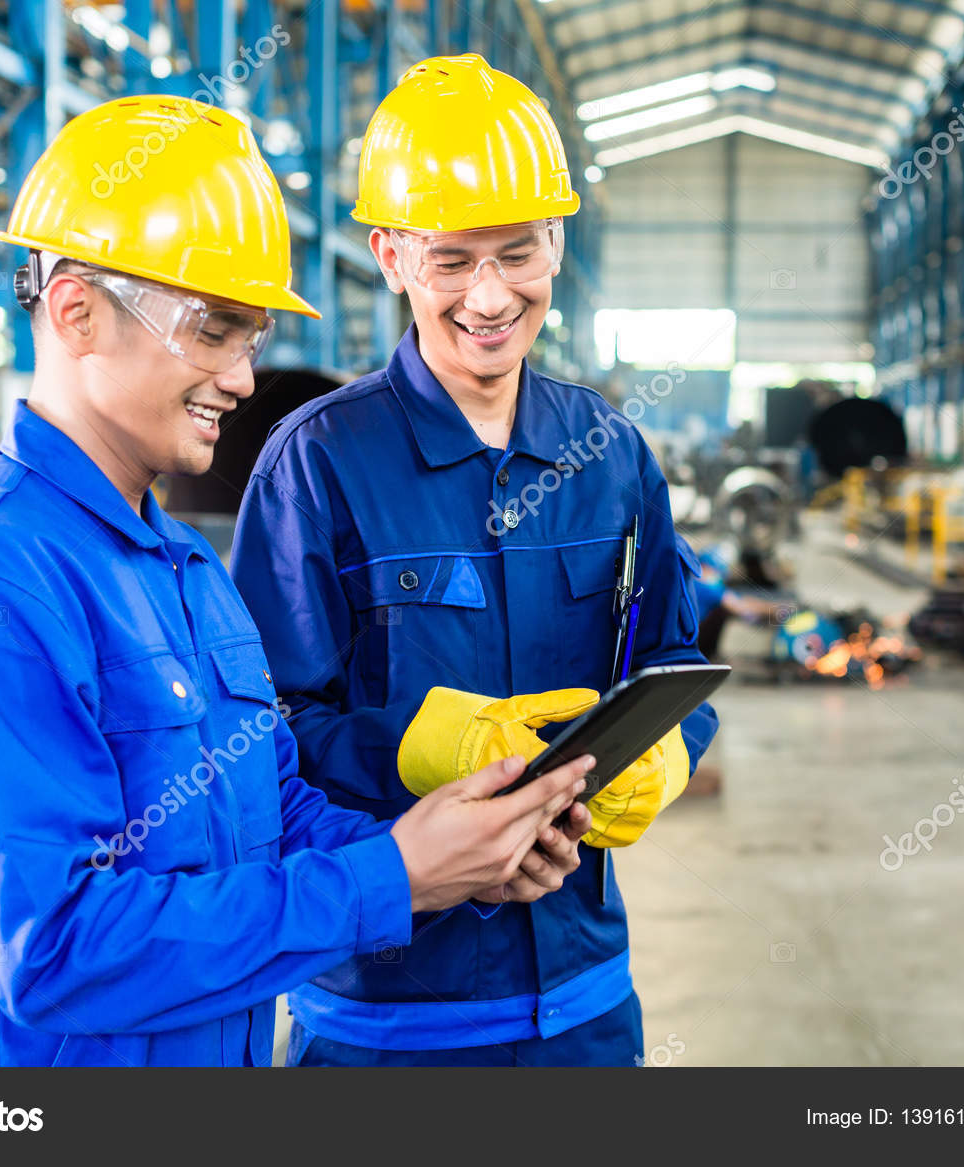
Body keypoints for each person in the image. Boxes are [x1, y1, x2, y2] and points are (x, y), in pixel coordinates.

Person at [0, 95, 591, 1068]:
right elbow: (51, 947)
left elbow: (276, 815)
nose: (241, 380)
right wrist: (388, 880)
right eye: (215, 330)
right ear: (76, 312)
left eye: (252, 338)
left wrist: (450, 848)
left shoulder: (184, 570)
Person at [232, 56, 719, 1067]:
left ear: (556, 245)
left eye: (518, 253)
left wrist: (668, 756)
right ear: (390, 255)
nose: (490, 297)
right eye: (451, 261)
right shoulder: (317, 463)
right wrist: (419, 750)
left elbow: (676, 666)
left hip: (583, 1001)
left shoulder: (612, 453)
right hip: (385, 1019)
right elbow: (258, 736)